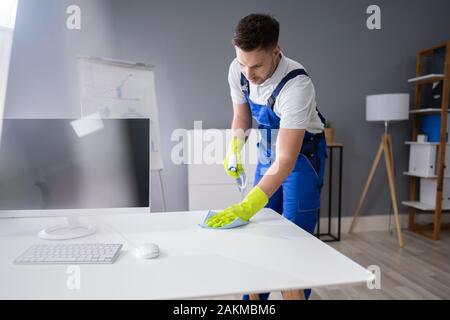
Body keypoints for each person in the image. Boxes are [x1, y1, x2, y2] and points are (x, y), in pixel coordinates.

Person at [205, 13, 327, 300]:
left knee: (292, 244)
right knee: (258, 235)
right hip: (269, 150)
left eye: (257, 65)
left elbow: (286, 160)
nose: (248, 74)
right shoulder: (239, 69)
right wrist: (235, 147)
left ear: (276, 51)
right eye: (243, 63)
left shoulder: (297, 86)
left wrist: (247, 205)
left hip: (302, 158)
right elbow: (241, 117)